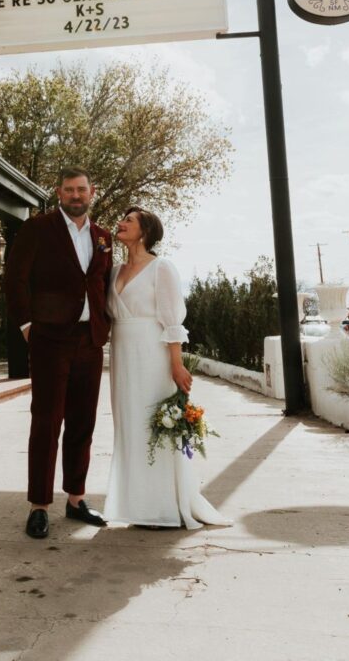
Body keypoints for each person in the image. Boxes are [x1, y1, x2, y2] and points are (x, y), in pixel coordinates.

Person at [104, 207, 231, 529]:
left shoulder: (161, 268)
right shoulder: (114, 270)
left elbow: (171, 321)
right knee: (129, 425)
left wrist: (176, 365)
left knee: (152, 422)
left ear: (145, 231)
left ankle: (163, 506)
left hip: (152, 355)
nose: (120, 223)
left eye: (128, 220)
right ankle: (137, 505)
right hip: (122, 354)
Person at [4, 166, 114, 539]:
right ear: (58, 193)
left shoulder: (103, 237)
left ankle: (76, 499)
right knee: (47, 421)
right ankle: (39, 506)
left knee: (83, 422)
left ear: (91, 191)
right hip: (50, 338)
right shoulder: (38, 228)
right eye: (68, 190)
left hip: (90, 341)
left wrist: (105, 327)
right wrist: (26, 325)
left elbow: (103, 285)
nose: (75, 195)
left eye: (81, 189)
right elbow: (15, 278)